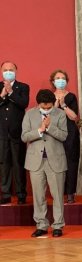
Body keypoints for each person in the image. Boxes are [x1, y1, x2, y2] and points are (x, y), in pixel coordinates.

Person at [21, 89, 68, 237]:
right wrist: (40, 130)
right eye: (44, 107)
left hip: (56, 160)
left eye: (49, 108)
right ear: (38, 104)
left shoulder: (60, 114)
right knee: (38, 195)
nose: (47, 110)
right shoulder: (29, 114)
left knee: (57, 195)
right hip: (36, 161)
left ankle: (58, 226)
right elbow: (24, 136)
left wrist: (49, 127)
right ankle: (41, 225)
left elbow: (64, 136)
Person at [0, 61, 29, 204]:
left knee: (18, 163)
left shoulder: (23, 87)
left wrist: (10, 92)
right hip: (2, 133)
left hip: (18, 132)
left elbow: (24, 103)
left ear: (16, 70)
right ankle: (5, 193)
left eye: (11, 69)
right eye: (5, 69)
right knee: (4, 164)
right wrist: (2, 94)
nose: (8, 72)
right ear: (1, 71)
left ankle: (21, 193)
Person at [51, 69, 80, 204]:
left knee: (71, 163)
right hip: (55, 134)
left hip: (71, 133)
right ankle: (58, 193)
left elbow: (74, 116)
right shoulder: (49, 97)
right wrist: (56, 105)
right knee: (56, 163)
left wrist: (63, 105)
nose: (60, 80)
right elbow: (48, 117)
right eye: (58, 78)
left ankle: (70, 193)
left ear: (67, 81)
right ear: (53, 81)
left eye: (63, 78)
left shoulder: (71, 97)